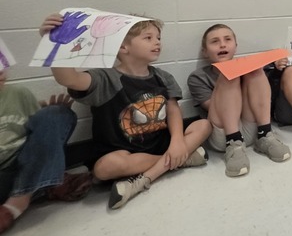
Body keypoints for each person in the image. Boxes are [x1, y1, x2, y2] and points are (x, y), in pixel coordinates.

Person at [42, 13, 211, 209]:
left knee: (204, 124)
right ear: (123, 47)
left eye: (158, 38)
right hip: (123, 152)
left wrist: (177, 142)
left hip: (160, 143)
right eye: (148, 38)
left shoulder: (163, 77)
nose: (157, 42)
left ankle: (146, 178)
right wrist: (55, 44)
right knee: (104, 168)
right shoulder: (105, 78)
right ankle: (181, 160)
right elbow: (68, 79)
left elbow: (173, 110)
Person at [187, 24, 291, 177]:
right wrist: (230, 79)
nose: (222, 44)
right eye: (215, 42)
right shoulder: (197, 77)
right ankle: (234, 144)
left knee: (255, 69)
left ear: (235, 46)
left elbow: (260, 95)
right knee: (229, 73)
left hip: (251, 130)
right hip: (223, 133)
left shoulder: (247, 69)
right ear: (205, 51)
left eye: (227, 40)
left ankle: (265, 135)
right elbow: (212, 107)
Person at [1, 67, 93, 235]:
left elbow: (37, 138)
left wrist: (46, 116)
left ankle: (21, 198)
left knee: (56, 114)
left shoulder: (18, 93)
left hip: (24, 164)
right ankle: (46, 186)